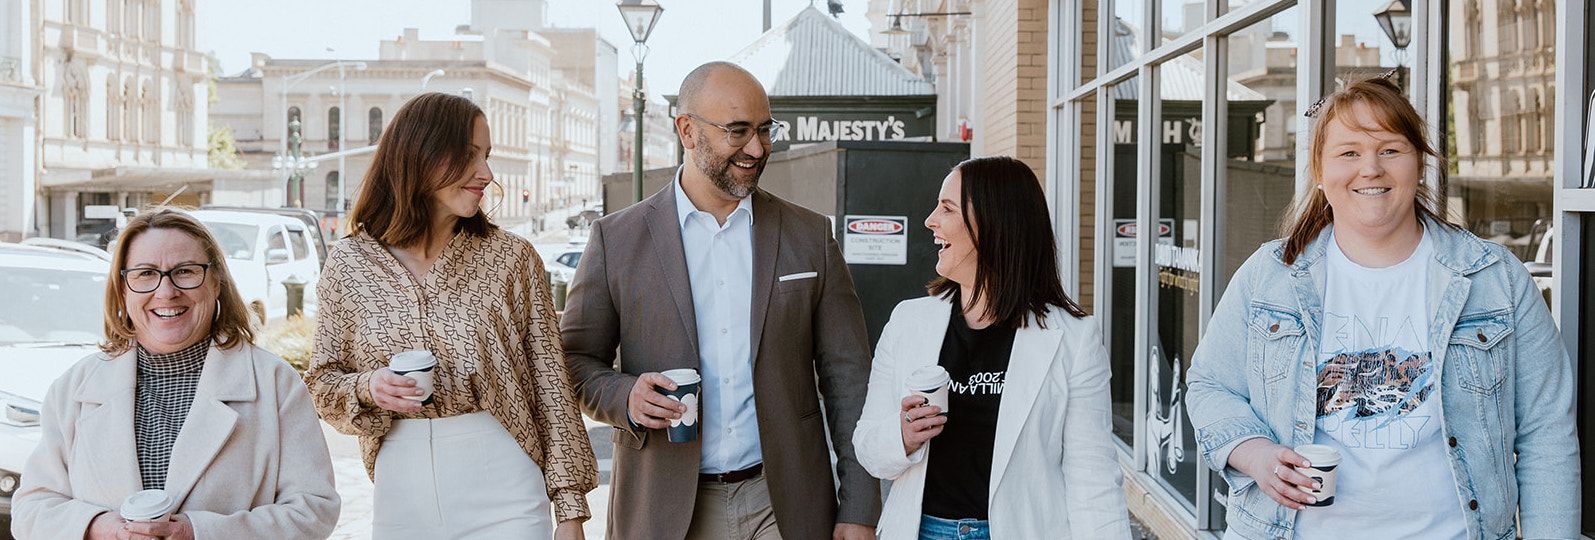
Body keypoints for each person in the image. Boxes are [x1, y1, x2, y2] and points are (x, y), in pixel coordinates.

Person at [1185, 77, 1579, 540]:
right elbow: (1210, 386)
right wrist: (1255, 454)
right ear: (1319, 170)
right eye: (1348, 152)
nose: (1369, 168)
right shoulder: (1269, 275)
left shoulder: (1495, 279)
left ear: (1419, 163)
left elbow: (1547, 436)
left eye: (1390, 150)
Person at [561, 61, 880, 540]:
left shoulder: (809, 236)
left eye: (765, 130)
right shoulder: (616, 240)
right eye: (737, 131)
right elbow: (574, 361)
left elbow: (849, 378)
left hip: (785, 503)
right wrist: (626, 396)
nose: (757, 148)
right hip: (666, 510)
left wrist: (859, 507)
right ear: (686, 131)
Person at [304, 92, 596, 540]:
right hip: (401, 486)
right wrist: (369, 387)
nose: (487, 174)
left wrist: (570, 512)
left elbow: (550, 386)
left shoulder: (511, 259)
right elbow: (322, 382)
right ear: (419, 157)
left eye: (487, 156)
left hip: (506, 481)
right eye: (469, 156)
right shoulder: (349, 264)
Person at [11, 209, 340, 539]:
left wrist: (200, 532)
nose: (166, 292)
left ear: (216, 282)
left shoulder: (275, 383)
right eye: (145, 274)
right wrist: (101, 529)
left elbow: (313, 509)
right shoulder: (73, 389)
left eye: (184, 272)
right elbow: (32, 509)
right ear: (122, 288)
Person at [851, 157, 1131, 540]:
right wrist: (902, 436)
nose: (930, 221)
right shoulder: (907, 322)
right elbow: (867, 446)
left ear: (994, 225)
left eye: (947, 208)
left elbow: (1093, 478)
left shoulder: (1074, 338)